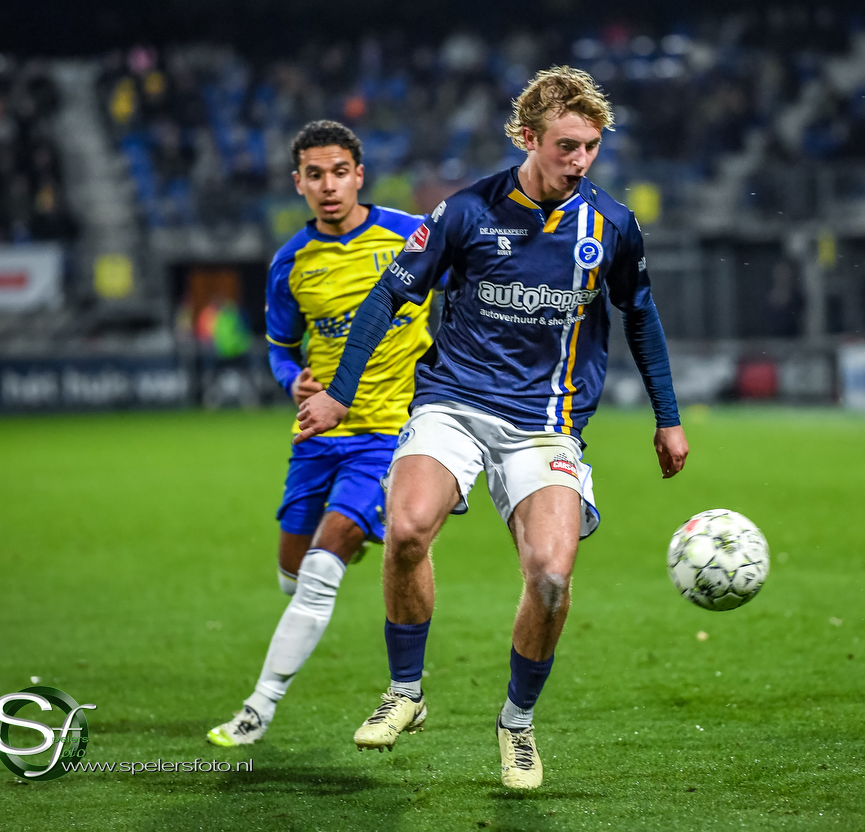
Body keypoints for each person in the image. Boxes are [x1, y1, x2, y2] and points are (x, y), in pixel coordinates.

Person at [295, 67, 688, 789]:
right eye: (566, 146)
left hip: (546, 425)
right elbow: (387, 296)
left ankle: (516, 722)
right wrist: (341, 396)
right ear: (528, 137)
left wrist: (668, 417)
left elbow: (642, 316)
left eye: (591, 146)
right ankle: (406, 693)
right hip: (454, 403)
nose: (580, 160)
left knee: (552, 580)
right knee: (406, 530)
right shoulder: (466, 212)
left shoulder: (612, 226)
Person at [206, 120, 433, 746]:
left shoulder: (409, 236)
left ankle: (258, 709)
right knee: (291, 573)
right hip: (317, 435)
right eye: (315, 175)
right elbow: (281, 347)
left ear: (359, 175)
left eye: (339, 172)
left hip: (389, 434)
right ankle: (353, 532)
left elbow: (468, 288)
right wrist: (291, 381)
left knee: (318, 573)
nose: (328, 186)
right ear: (298, 183)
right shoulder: (290, 262)